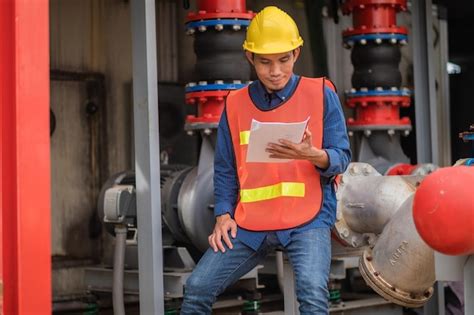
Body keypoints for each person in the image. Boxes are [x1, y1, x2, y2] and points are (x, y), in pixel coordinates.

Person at [181, 6, 351, 315]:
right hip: (250, 223)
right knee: (196, 288)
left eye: (283, 60)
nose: (275, 71)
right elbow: (226, 168)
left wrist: (316, 156)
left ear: (297, 53)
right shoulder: (234, 104)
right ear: (249, 58)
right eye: (265, 62)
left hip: (308, 219)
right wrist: (223, 215)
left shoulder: (321, 93)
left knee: (313, 293)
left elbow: (342, 158)